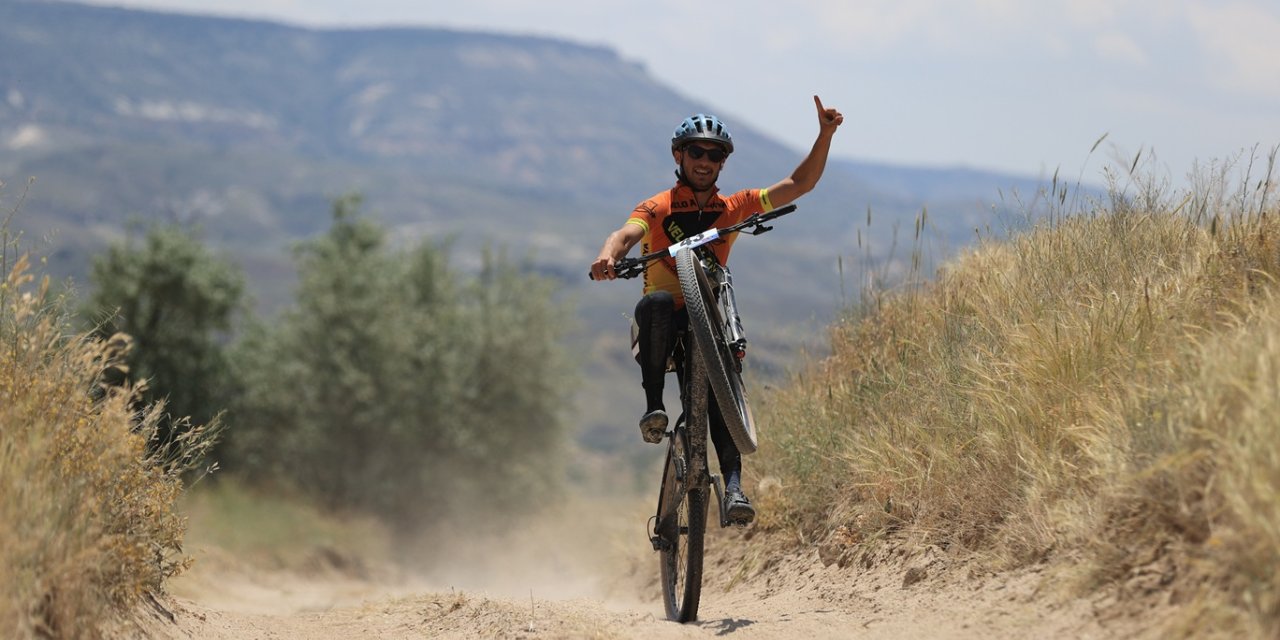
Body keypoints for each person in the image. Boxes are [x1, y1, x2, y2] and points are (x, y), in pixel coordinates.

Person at [590, 96, 843, 524]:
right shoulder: (657, 207)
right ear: (679, 155)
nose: (705, 160)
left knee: (721, 393)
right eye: (696, 151)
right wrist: (606, 257)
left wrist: (825, 134)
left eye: (715, 154)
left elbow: (798, 184)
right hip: (661, 325)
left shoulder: (734, 207)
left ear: (723, 162)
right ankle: (654, 407)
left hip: (709, 315)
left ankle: (733, 488)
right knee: (654, 302)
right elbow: (625, 235)